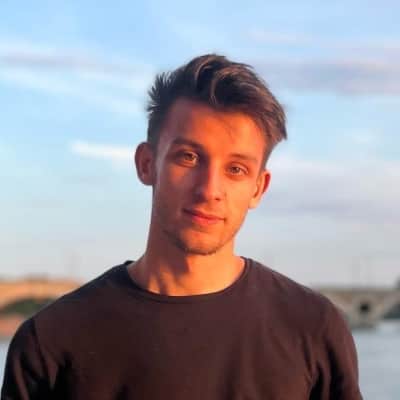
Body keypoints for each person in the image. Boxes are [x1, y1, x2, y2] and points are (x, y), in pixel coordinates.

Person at [1, 54, 362, 399]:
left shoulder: (313, 328)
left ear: (258, 188)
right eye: (188, 157)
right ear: (147, 164)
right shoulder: (51, 341)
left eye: (236, 169)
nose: (209, 190)